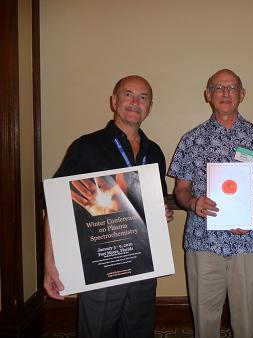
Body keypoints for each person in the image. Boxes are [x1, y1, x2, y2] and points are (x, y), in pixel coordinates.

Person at [43, 75, 174, 338]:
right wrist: (50, 262)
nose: (135, 102)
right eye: (128, 94)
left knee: (139, 330)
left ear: (150, 106)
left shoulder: (155, 152)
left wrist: (163, 213)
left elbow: (157, 202)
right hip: (100, 263)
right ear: (114, 100)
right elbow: (56, 207)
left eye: (143, 97)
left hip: (143, 262)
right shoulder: (87, 146)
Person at [168, 69, 253, 338]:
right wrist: (193, 202)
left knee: (247, 318)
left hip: (248, 240)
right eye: (218, 88)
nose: (225, 93)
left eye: (232, 88)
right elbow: (181, 190)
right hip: (203, 240)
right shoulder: (191, 139)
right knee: (204, 320)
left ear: (242, 95)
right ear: (207, 94)